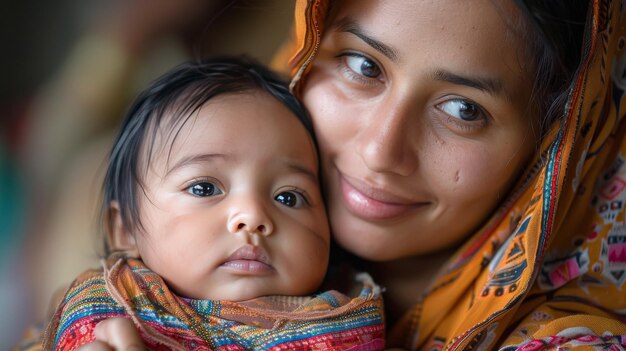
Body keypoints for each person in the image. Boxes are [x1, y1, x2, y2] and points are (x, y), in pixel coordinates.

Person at [46, 0, 626, 350]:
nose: (380, 150)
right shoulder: (144, 281)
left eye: (463, 109)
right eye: (362, 65)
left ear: (556, 145)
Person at [41, 57, 385, 350]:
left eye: (288, 197)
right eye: (204, 188)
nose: (251, 216)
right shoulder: (107, 312)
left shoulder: (352, 322)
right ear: (124, 229)